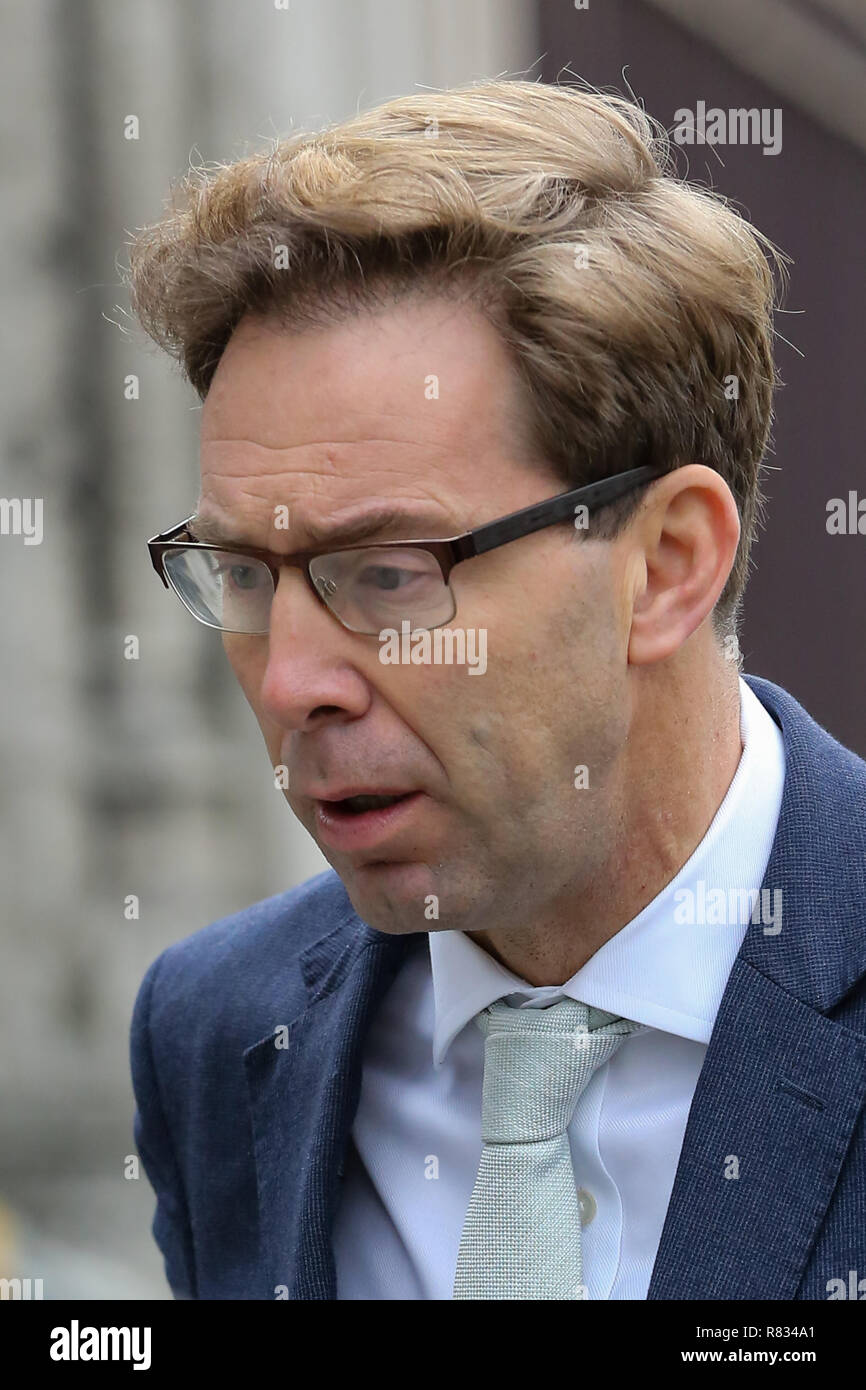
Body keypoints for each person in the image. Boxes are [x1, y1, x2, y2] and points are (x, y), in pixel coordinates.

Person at [127, 79, 866, 1300]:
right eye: (245, 575)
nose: (295, 682)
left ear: (667, 563)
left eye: (388, 573)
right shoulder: (218, 1034)